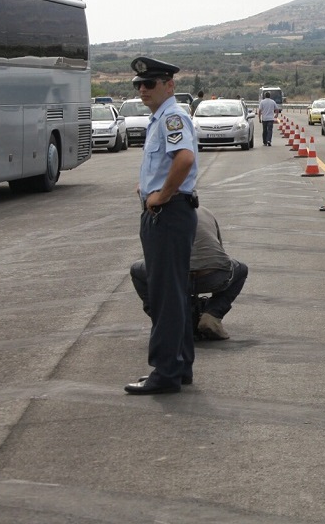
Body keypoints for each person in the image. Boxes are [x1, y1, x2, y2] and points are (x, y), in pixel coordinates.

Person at [125, 56, 199, 395]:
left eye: (150, 83)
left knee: (165, 295)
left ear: (169, 85)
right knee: (175, 294)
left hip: (168, 215)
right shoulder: (161, 118)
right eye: (139, 84)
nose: (143, 89)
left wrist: (161, 196)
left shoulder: (172, 117)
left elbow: (184, 159)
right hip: (167, 214)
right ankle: (179, 366)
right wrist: (148, 188)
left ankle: (165, 373)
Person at [130, 205, 247, 341]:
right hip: (213, 276)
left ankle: (166, 320)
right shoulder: (204, 211)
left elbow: (151, 256)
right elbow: (219, 252)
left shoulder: (153, 216)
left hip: (174, 277)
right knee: (241, 270)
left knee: (136, 271)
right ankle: (213, 315)